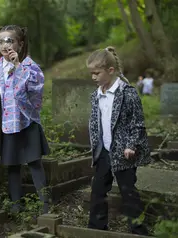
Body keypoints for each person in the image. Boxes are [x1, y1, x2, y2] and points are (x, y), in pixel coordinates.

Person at [0, 25, 50, 214]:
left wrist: (17, 66)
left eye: (10, 41)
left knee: (34, 162)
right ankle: (16, 205)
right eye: (1, 41)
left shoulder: (29, 66)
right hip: (8, 124)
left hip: (26, 121)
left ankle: (45, 204)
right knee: (12, 164)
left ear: (20, 44)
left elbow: (35, 86)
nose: (5, 45)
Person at [86, 46, 151, 235]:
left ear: (111, 70)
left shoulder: (128, 94)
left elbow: (137, 123)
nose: (93, 77)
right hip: (104, 151)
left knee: (128, 191)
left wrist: (131, 145)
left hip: (123, 152)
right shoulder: (96, 95)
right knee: (98, 190)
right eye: (91, 73)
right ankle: (96, 227)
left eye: (97, 73)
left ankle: (138, 230)